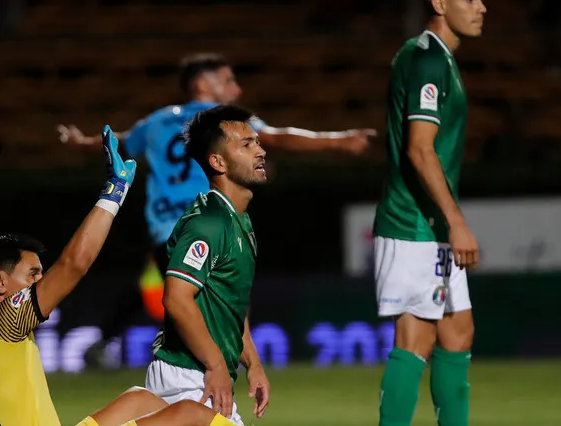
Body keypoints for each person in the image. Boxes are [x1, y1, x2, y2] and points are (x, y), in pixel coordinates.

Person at [0, 126, 390, 426]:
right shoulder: (3, 325)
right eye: (32, 275)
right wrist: (114, 191)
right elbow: (76, 263)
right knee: (189, 415)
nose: (41, 282)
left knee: (142, 402)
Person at [59, 53, 376, 369]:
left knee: (182, 302)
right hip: (208, 223)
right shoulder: (221, 121)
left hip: (165, 231)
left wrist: (79, 143)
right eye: (227, 81)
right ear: (201, 84)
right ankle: (209, 372)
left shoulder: (154, 123)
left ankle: (170, 362)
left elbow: (115, 143)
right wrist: (338, 141)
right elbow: (279, 137)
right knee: (221, 302)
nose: (236, 89)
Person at [367, 0, 519, 426]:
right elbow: (420, 148)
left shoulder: (440, 61)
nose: (483, 8)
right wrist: (457, 222)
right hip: (414, 225)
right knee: (416, 337)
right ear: (440, 3)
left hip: (429, 226)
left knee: (458, 331)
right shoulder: (426, 57)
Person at [141, 104, 328, 426]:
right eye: (247, 144)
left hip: (206, 371)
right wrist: (213, 364)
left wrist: (253, 363)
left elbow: (230, 303)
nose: (260, 150)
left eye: (258, 141)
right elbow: (175, 297)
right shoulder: (208, 222)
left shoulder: (238, 221)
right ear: (217, 161)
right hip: (186, 374)